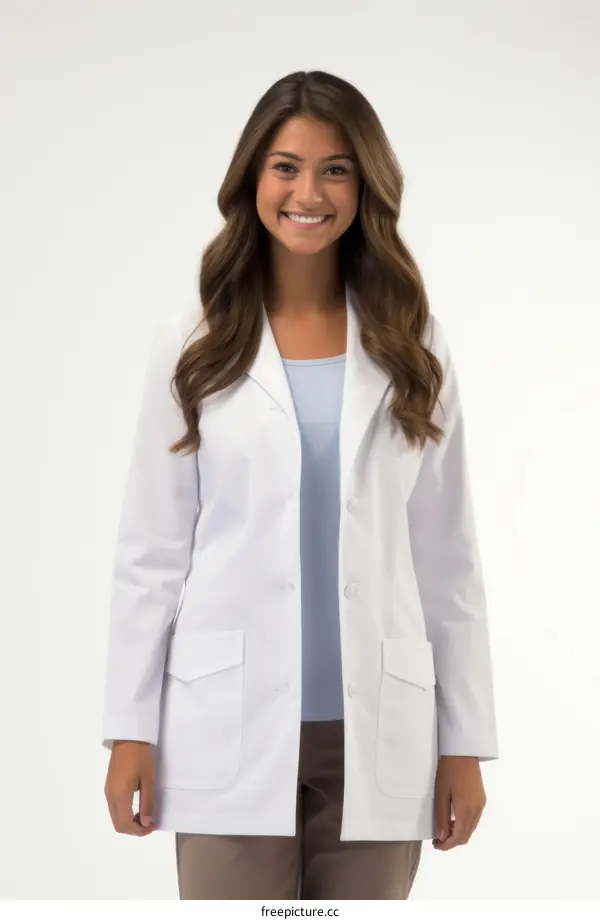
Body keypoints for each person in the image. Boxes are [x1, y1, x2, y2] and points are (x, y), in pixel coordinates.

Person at [101, 69, 499, 900]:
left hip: (377, 732)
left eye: (335, 169)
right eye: (285, 166)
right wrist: (130, 730)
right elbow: (151, 551)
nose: (307, 192)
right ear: (253, 179)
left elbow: (448, 559)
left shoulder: (412, 343)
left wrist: (464, 740)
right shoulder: (197, 338)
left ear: (366, 185)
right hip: (226, 725)